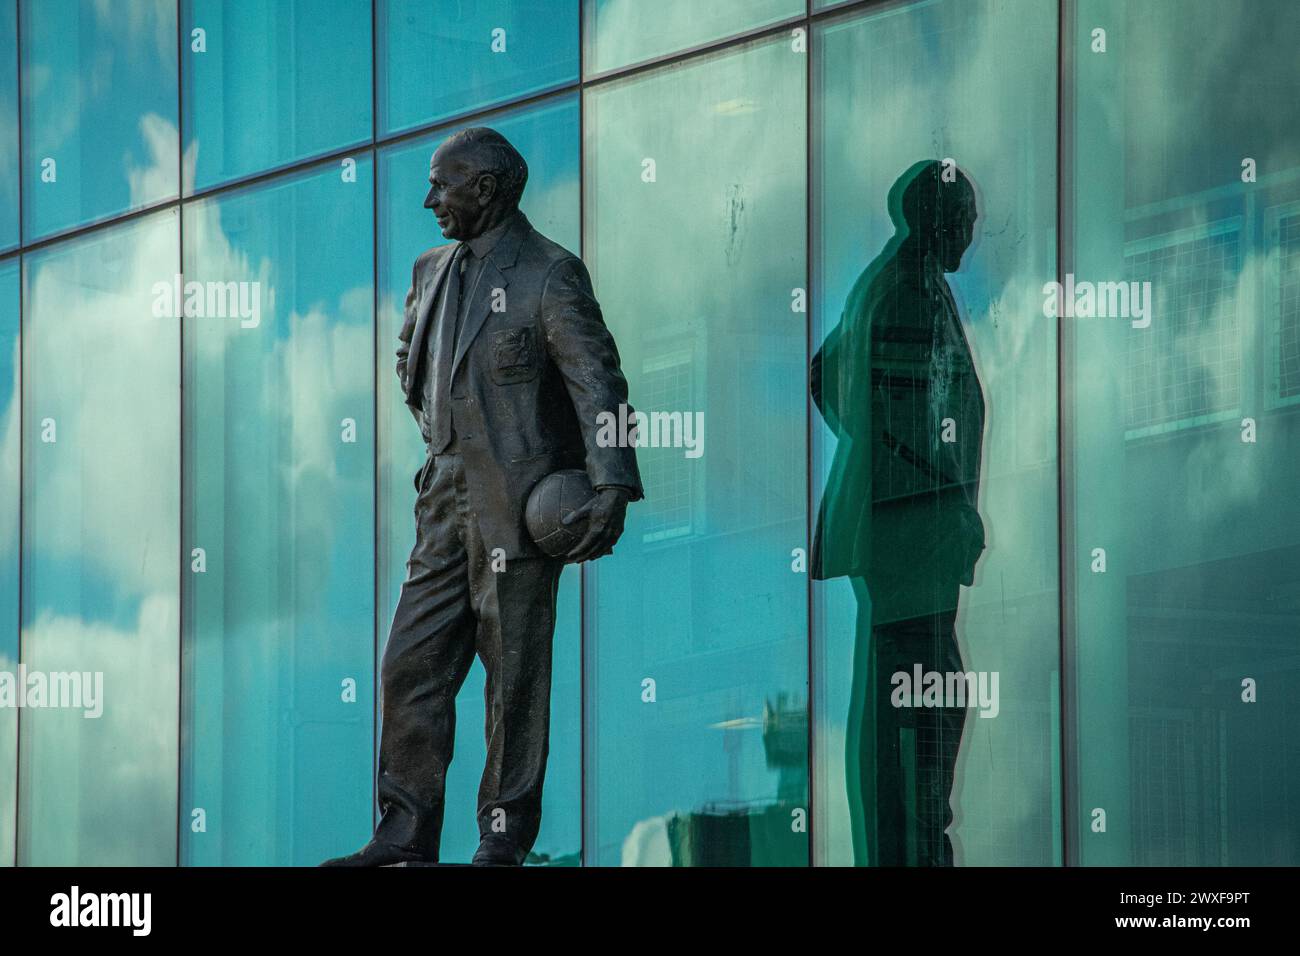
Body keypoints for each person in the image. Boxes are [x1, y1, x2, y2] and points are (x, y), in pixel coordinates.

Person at [323, 127, 642, 867]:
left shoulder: (549, 273)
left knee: (514, 673)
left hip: (519, 505)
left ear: (488, 189)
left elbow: (600, 383)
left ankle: (504, 830)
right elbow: (411, 363)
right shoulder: (430, 270)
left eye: (444, 183)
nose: (430, 198)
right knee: (409, 661)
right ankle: (403, 829)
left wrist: (612, 482)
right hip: (442, 501)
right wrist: (450, 435)